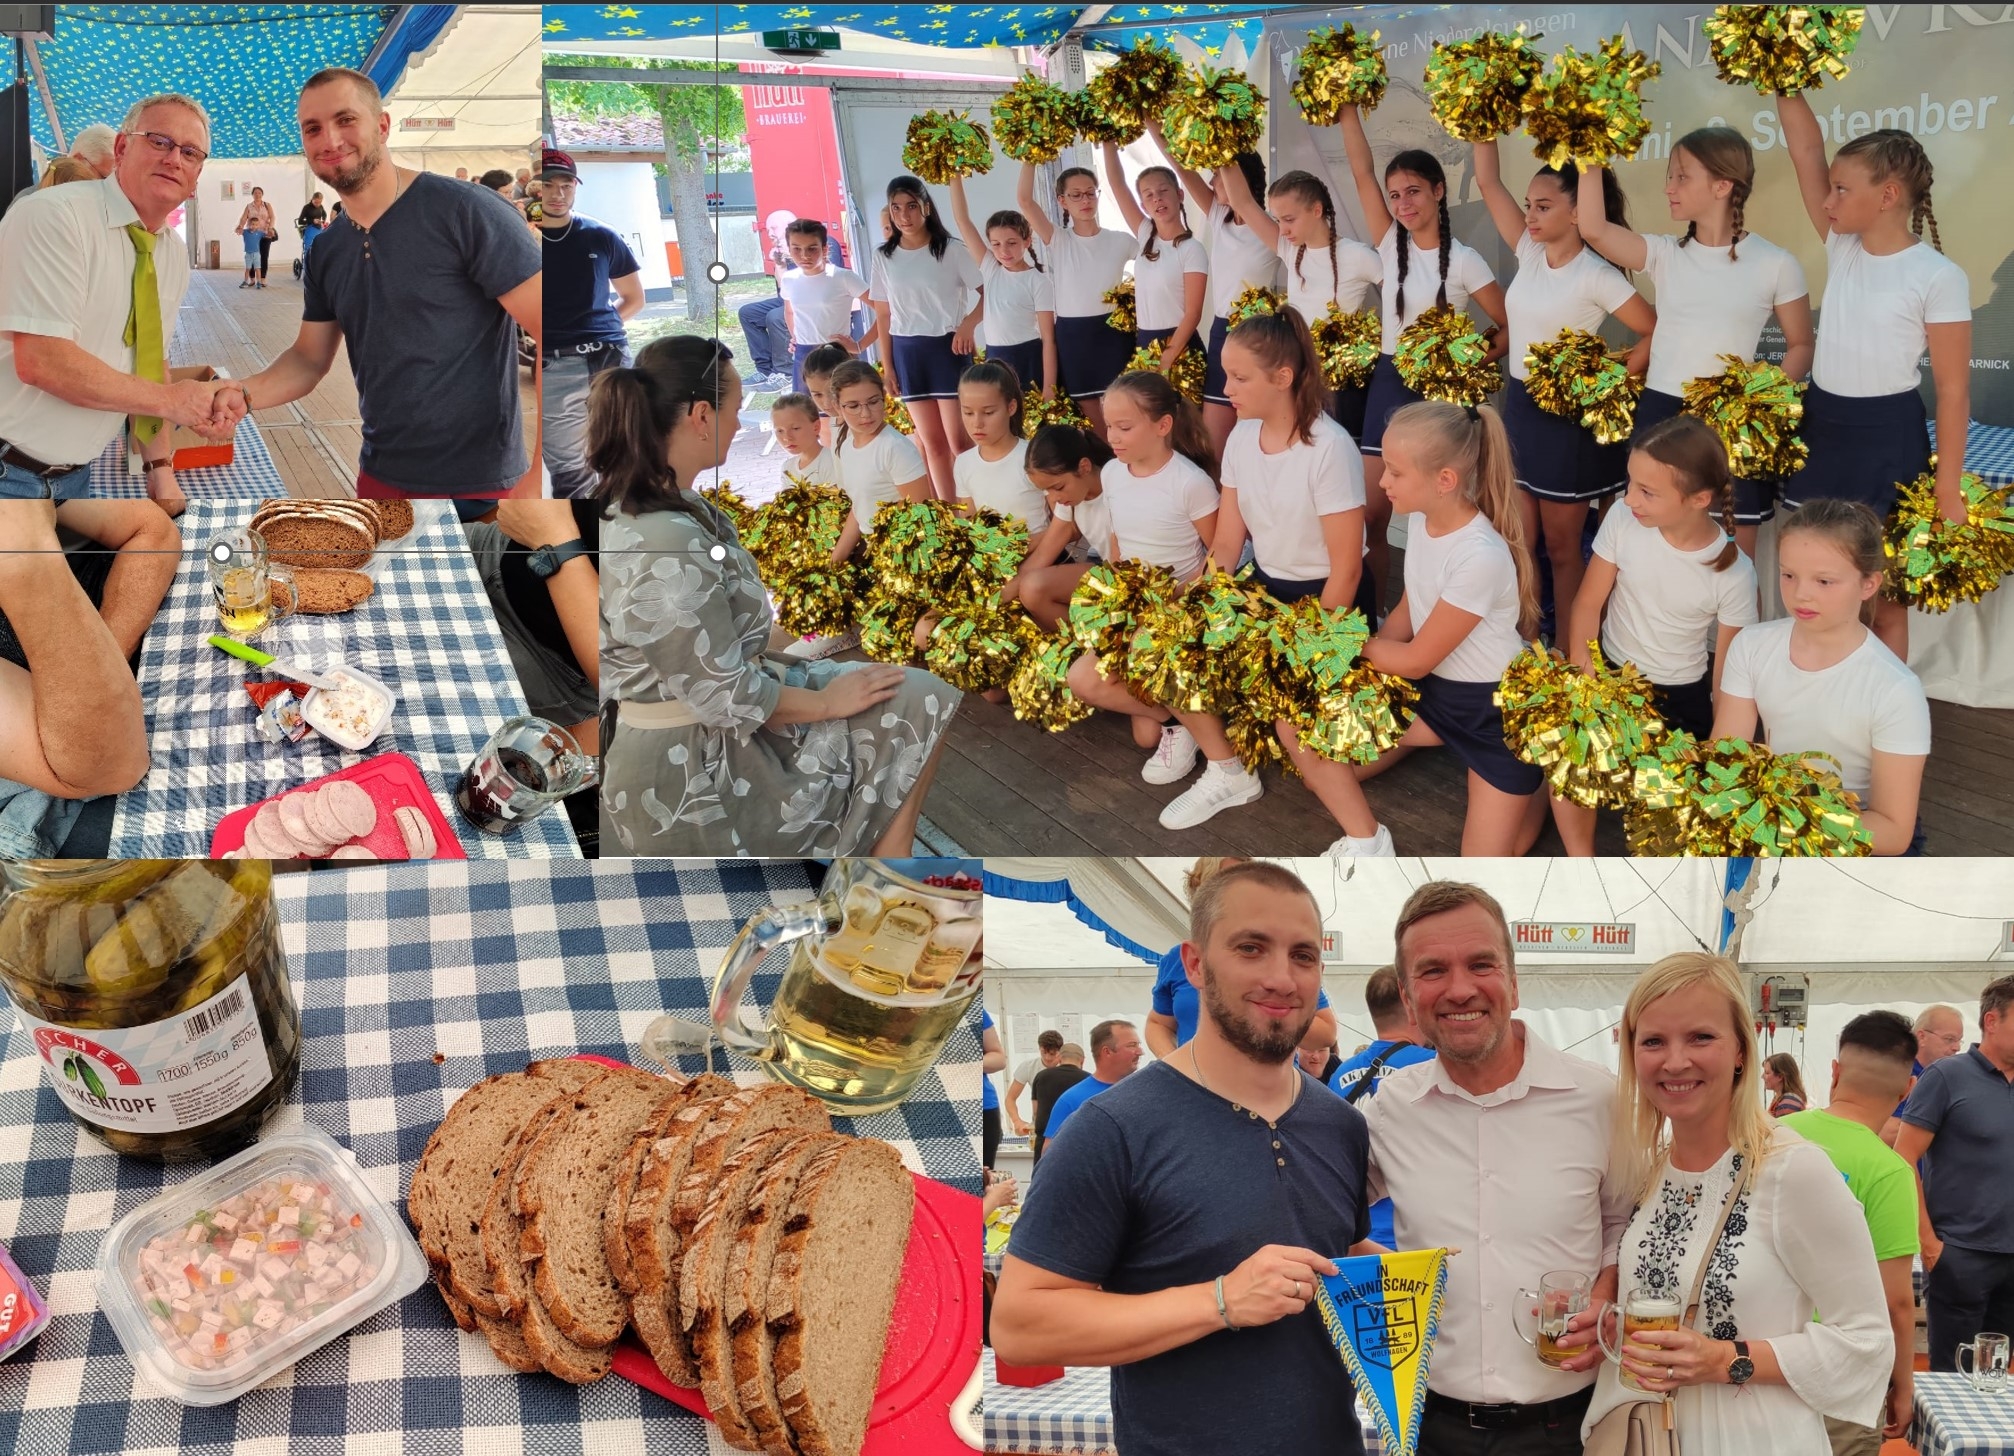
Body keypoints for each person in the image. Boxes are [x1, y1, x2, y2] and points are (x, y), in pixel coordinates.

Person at [994, 861, 1375, 1455]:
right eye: (1251, 948)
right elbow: (1019, 1328)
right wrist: (1219, 1301)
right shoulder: (1112, 1127)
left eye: (1303, 956)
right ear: (1194, 964)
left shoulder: (1342, 1125)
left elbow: (1334, 1255)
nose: (1282, 977)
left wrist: (1391, 1272)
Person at [594, 335, 959, 855]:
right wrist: (826, 701)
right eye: (735, 409)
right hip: (697, 766)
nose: (739, 425)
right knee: (913, 697)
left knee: (919, 691)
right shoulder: (664, 539)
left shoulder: (674, 505)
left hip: (722, 717)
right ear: (701, 415)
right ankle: (883, 864)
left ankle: (888, 860)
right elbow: (724, 696)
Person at [1578, 952, 1891, 1456]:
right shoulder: (1649, 1171)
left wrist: (1725, 1359)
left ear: (1742, 1050)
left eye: (1700, 1037)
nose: (1675, 1061)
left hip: (1751, 1438)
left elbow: (1868, 1341)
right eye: (1653, 1041)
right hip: (1644, 1434)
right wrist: (1607, 1321)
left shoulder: (1794, 1171)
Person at [1362, 880, 1632, 1454]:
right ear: (1408, 1001)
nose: (1460, 989)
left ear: (1512, 981)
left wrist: (1607, 1292)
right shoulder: (1389, 1108)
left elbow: (1624, 1222)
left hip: (1570, 1424)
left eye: (1481, 964)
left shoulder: (1598, 1098)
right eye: (1433, 971)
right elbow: (1322, 1204)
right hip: (1429, 1424)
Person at [221, 68, 542, 500]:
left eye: (345, 120)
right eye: (312, 128)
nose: (330, 140)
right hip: (381, 477)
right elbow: (308, 359)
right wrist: (242, 393)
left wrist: (537, 484)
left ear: (383, 126)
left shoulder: (466, 211)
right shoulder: (327, 249)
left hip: (486, 488)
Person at [1154, 311, 1378, 842]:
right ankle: (1228, 772)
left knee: (1300, 741)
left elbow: (1346, 568)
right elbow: (1228, 543)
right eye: (1224, 375)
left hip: (1327, 603)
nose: (1225, 388)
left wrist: (1311, 652)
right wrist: (1202, 608)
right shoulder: (1240, 438)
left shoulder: (1329, 447)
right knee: (1171, 644)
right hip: (1267, 589)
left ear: (1283, 377)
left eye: (1239, 377)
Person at [1773, 93, 1972, 659]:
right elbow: (1805, 149)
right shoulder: (1843, 246)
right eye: (1830, 187)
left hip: (1889, 436)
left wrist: (1948, 486)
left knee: (1884, 601)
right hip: (1825, 426)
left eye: (1842, 189)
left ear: (1886, 197)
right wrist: (1783, 73)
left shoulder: (1938, 276)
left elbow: (1954, 391)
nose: (1828, 199)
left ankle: (1884, 714)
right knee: (1816, 580)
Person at [1575, 132, 1814, 562]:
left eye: (1682, 177)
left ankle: (1730, 633)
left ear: (1723, 185)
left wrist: (1756, 404)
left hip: (1730, 423)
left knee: (1732, 562)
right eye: (1670, 176)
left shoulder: (1777, 263)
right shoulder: (1665, 254)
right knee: (1651, 550)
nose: (1670, 187)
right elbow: (1592, 228)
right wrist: (1586, 149)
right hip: (1661, 413)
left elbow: (1800, 345)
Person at [0, 93, 233, 506]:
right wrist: (174, 401)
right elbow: (42, 360)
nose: (174, 158)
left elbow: (150, 364)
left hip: (75, 479)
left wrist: (160, 470)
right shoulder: (55, 216)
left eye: (191, 152)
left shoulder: (171, 253)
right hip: (8, 471)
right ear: (122, 148)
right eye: (159, 141)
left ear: (197, 174)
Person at [1469, 140, 1659, 635]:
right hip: (1520, 412)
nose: (1531, 215)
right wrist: (1479, 122)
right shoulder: (1531, 252)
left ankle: (1569, 650)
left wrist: (1606, 383)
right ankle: (1524, 635)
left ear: (1579, 213)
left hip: (1566, 424)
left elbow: (1653, 329)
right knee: (1518, 538)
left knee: (1562, 547)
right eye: (1529, 205)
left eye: (1544, 206)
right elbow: (1489, 182)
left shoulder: (1596, 275)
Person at [1553, 416, 1757, 855]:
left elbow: (1728, 678)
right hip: (1608, 674)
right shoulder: (1624, 523)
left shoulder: (1735, 572)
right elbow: (1587, 605)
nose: (1628, 500)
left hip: (1678, 701)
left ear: (1699, 499)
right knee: (1567, 767)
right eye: (1630, 483)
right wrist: (1586, 684)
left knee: (1668, 822)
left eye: (1647, 491)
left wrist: (1718, 759)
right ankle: (1580, 859)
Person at [1337, 104, 1509, 608]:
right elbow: (1361, 172)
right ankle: (1378, 609)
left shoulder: (1466, 261)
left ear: (1438, 191)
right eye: (1395, 195)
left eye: (1413, 191)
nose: (1402, 203)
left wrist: (1471, 362)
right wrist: (1348, 109)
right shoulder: (1389, 244)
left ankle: (1433, 608)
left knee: (1434, 514)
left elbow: (1510, 324)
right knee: (1373, 513)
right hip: (1390, 380)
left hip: (1438, 394)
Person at [1358, 401, 1548, 855]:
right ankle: (1433, 737)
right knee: (1327, 768)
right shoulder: (1423, 520)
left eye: (1395, 472)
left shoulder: (1479, 554)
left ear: (1445, 480)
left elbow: (1418, 659)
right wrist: (1374, 664)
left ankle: (1538, 776)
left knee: (1489, 859)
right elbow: (1410, 603)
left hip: (1491, 714)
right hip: (1435, 696)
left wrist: (1357, 647)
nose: (1382, 481)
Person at [1709, 500, 1930, 855]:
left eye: (1824, 581)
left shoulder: (1896, 689)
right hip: (1772, 820)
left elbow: (1892, 830)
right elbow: (1724, 758)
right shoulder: (1751, 646)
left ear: (1869, 584)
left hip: (1854, 836)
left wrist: (1791, 820)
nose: (1801, 594)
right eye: (1788, 575)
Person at [1779, 1011, 1923, 1456]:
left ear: (1835, 1072)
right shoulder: (1889, 1172)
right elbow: (1896, 1302)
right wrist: (1902, 1382)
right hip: (1843, 1373)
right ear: (1907, 1091)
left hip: (1765, 1359)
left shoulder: (1772, 1136)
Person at [1061, 371, 1223, 766]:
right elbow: (1119, 540)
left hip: (1178, 610)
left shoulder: (1190, 483)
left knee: (1144, 734)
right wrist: (1114, 600)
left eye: (1124, 427)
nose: (1112, 437)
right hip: (1133, 605)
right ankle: (1178, 720)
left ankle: (1194, 717)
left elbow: (1219, 553)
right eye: (1109, 426)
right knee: (1082, 680)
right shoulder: (1114, 472)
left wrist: (1178, 601)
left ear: (1162, 426)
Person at [0, 499, 179, 853]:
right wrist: (26, 553)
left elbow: (152, 529)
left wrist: (102, 663)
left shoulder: (17, 476)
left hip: (102, 679)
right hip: (78, 770)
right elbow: (114, 767)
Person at [1140, 126, 1286, 462]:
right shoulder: (1220, 217)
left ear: (1238, 178)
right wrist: (1152, 124)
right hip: (1223, 333)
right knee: (1214, 446)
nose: (1210, 184)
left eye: (1218, 176)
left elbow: (1243, 198)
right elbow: (1181, 168)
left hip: (1259, 337)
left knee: (1258, 438)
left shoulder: (1271, 227)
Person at [1893, 974, 2014, 1373]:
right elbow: (1903, 1158)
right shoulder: (1947, 1077)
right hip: (1960, 1255)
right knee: (1953, 1375)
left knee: (1999, 1380)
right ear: (1992, 1021)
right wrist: (1929, 1244)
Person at [1213, 163, 1381, 439]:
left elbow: (1401, 292)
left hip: (1341, 383)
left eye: (1289, 219)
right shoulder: (1289, 249)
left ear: (1317, 210)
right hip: (1298, 371)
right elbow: (1242, 202)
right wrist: (1225, 153)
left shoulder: (1358, 256)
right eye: (1278, 220)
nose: (1282, 229)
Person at [1147, 858, 1337, 1057]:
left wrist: (1267, 1016)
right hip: (1193, 1082)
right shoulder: (1175, 960)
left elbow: (1326, 1033)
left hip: (1273, 1082)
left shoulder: (1284, 960)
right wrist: (1172, 1064)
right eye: (1227, 882)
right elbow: (1159, 1022)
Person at [463, 498, 599, 773]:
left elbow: (634, 679)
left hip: (549, 661)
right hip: (501, 549)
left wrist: (556, 542)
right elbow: (521, 501)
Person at [870, 174, 984, 500]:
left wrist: (968, 325)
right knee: (932, 445)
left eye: (911, 207)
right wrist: (888, 368)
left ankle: (974, 506)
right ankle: (950, 515)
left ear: (926, 207)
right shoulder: (884, 257)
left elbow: (991, 291)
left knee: (960, 442)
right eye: (896, 208)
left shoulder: (951, 250)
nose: (904, 216)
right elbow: (883, 314)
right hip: (908, 353)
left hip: (948, 350)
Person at [537, 148, 642, 500]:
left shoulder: (600, 235)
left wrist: (607, 328)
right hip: (553, 365)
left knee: (626, 460)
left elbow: (633, 297)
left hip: (609, 357)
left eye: (566, 185)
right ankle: (586, 550)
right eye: (548, 184)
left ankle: (625, 544)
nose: (558, 193)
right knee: (572, 475)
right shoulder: (518, 237)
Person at [1015, 157, 1137, 434]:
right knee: (1093, 423)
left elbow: (1156, 263)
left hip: (1113, 334)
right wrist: (1032, 155)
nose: (1085, 200)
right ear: (1062, 201)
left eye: (1090, 193)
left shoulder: (1122, 240)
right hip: (1073, 337)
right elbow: (1024, 200)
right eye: (1076, 195)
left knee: (1122, 412)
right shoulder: (1058, 238)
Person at [1326, 964, 1436, 1252]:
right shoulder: (1431, 1068)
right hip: (1414, 1237)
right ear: (1410, 1006)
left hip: (1356, 1235)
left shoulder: (1340, 1074)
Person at [1103, 142, 1208, 405]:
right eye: (1148, 195)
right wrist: (1108, 141)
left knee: (1187, 427)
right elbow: (1117, 185)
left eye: (1163, 191)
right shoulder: (1145, 234)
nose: (1157, 199)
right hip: (1145, 344)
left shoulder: (1191, 249)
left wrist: (1168, 357)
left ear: (1179, 194)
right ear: (1143, 203)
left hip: (1179, 346)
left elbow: (1193, 314)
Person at [947, 177, 1056, 400]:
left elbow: (1048, 339)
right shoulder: (991, 269)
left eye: (1012, 242)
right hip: (996, 358)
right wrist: (954, 175)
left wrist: (1049, 387)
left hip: (1028, 357)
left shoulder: (1039, 282)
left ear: (1027, 240)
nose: (1004, 250)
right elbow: (962, 221)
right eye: (996, 244)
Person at [828, 359, 932, 565]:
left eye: (873, 402)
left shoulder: (895, 448)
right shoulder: (847, 445)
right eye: (853, 406)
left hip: (901, 555)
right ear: (837, 407)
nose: (865, 414)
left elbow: (919, 512)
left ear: (884, 398)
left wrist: (885, 561)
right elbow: (860, 510)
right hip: (872, 549)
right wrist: (833, 563)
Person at [775, 218, 872, 393]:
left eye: (812, 248)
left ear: (825, 248)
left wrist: (860, 345)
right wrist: (796, 337)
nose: (804, 255)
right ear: (789, 249)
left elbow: (885, 310)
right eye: (797, 249)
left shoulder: (843, 277)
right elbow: (790, 311)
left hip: (837, 353)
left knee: (840, 413)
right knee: (806, 414)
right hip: (803, 356)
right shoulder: (789, 279)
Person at [951, 359, 1047, 532]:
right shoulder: (963, 463)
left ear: (1011, 407)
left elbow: (1065, 526)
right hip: (991, 556)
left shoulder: (1034, 456)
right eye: (968, 412)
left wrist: (1017, 552)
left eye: (988, 413)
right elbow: (969, 525)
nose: (977, 423)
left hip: (1042, 555)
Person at [1042, 1018, 1144, 1143]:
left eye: (1138, 1045)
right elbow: (1051, 1156)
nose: (1140, 1052)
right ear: (1107, 1052)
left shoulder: (1142, 1094)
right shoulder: (1071, 1101)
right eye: (1132, 1045)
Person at [1030, 1041, 1087, 1165]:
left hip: (1045, 1138)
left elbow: (1035, 1111)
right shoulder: (1088, 1080)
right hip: (1076, 1141)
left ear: (1059, 1058)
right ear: (1082, 1060)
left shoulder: (1041, 1076)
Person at [1006, 1029, 1064, 1139]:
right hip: (1039, 1125)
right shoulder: (1028, 1067)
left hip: (1063, 1124)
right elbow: (1010, 1098)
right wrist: (1017, 1121)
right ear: (1039, 1048)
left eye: (1052, 1054)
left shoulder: (1068, 1068)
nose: (1047, 1057)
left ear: (1060, 1051)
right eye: (1044, 1052)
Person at [235, 185, 276, 289]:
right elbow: (244, 218)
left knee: (264, 256)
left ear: (262, 194)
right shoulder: (249, 206)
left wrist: (270, 228)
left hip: (265, 234)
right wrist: (240, 227)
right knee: (252, 255)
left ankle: (263, 278)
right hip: (252, 234)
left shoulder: (267, 205)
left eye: (259, 193)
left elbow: (272, 217)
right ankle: (252, 279)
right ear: (252, 195)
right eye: (255, 193)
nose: (257, 195)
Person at [981, 1006, 1007, 1168]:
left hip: (984, 1107)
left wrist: (969, 1064)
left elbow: (999, 1059)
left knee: (985, 1176)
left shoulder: (978, 1012)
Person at [296, 191, 327, 279]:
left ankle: (318, 270)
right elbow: (300, 221)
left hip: (319, 229)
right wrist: (312, 221)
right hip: (309, 229)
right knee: (308, 250)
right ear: (312, 199)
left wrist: (323, 220)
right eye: (316, 202)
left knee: (320, 249)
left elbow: (324, 214)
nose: (317, 204)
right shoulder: (306, 208)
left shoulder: (320, 206)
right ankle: (307, 271)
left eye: (319, 202)